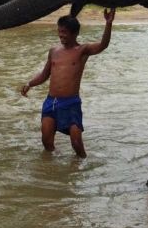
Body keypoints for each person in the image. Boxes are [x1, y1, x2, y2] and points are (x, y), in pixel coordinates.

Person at [21, 8, 116, 158]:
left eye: (64, 32)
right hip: (51, 102)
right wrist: (30, 83)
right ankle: (53, 169)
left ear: (75, 33)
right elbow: (45, 74)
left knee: (76, 143)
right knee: (46, 141)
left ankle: (81, 166)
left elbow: (103, 45)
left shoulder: (82, 50)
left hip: (71, 103)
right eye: (59, 31)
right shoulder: (53, 51)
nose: (61, 35)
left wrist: (108, 24)